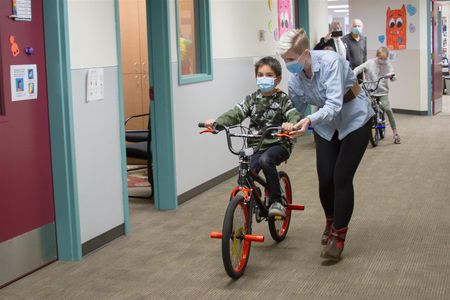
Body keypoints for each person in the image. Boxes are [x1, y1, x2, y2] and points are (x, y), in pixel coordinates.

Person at [277, 29, 374, 261]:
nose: (288, 64)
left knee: (341, 176)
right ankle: (331, 220)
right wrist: (288, 127)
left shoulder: (331, 63)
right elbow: (296, 108)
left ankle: (338, 237)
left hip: (354, 119)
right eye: (285, 60)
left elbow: (333, 106)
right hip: (326, 126)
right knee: (325, 178)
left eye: (291, 59)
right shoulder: (296, 78)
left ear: (305, 54)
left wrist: (309, 120)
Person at [204, 56, 301, 218]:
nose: (264, 78)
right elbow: (235, 113)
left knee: (266, 161)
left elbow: (293, 115)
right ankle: (255, 198)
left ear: (278, 79)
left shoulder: (283, 99)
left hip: (279, 143)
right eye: (260, 74)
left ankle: (277, 201)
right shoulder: (252, 99)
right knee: (245, 172)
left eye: (269, 75)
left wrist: (291, 124)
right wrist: (217, 124)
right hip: (256, 145)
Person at [354, 46, 401, 144]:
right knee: (365, 110)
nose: (382, 60)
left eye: (385, 58)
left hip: (383, 91)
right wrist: (353, 75)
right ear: (377, 56)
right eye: (381, 58)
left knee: (387, 109)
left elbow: (393, 77)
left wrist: (392, 76)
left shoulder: (388, 65)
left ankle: (395, 133)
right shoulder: (370, 63)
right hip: (371, 91)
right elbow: (359, 68)